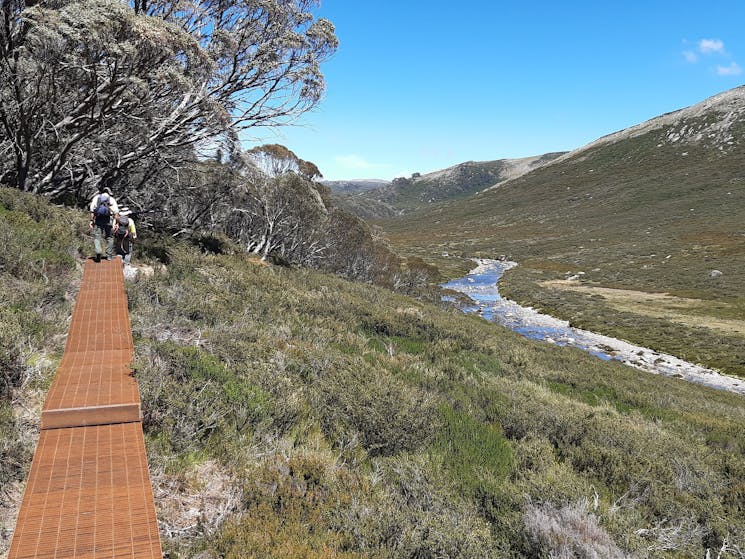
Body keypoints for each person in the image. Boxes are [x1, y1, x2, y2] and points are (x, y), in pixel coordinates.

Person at [88, 186, 120, 261]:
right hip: (109, 219)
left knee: (97, 236)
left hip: (98, 219)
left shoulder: (96, 198)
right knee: (110, 237)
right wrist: (117, 223)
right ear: (109, 193)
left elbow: (92, 211)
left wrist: (91, 221)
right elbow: (116, 213)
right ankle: (109, 255)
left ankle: (98, 251)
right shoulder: (111, 199)